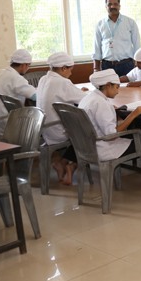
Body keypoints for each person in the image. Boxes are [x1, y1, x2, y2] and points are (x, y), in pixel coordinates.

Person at [80, 70, 141, 183]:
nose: (118, 91)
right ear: (108, 85)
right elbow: (112, 135)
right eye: (116, 87)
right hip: (103, 147)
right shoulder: (101, 104)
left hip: (86, 146)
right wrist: (133, 114)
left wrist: (113, 111)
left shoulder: (90, 98)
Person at [36, 51, 89, 185]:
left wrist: (76, 92)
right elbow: (87, 99)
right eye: (70, 69)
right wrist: (83, 93)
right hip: (58, 130)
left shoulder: (44, 79)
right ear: (63, 68)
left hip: (44, 129)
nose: (71, 73)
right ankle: (71, 165)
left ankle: (60, 162)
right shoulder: (62, 82)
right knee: (90, 133)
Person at [92, 0, 141, 77]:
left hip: (126, 65)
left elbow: (137, 45)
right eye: (109, 4)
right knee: (108, 89)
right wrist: (96, 68)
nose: (112, 6)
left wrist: (138, 64)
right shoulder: (100, 24)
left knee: (128, 89)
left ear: (119, 6)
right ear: (106, 7)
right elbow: (96, 48)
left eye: (115, 4)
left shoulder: (130, 22)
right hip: (107, 66)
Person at [0, 49, 37, 135]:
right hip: (11, 122)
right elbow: (35, 96)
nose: (28, 68)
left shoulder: (0, 72)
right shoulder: (16, 78)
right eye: (28, 65)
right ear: (24, 65)